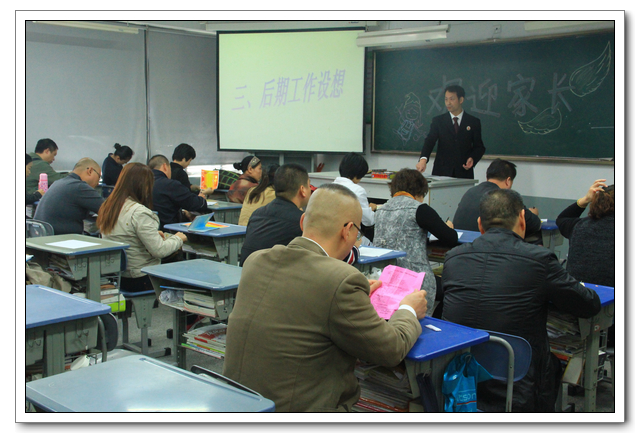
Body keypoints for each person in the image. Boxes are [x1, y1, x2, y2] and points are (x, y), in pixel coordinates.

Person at [223, 184, 427, 412]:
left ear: (303, 222)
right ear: (347, 230)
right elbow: (391, 349)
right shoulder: (341, 280)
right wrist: (408, 310)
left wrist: (355, 297)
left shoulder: (256, 260)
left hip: (240, 406)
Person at [442, 189, 601, 412]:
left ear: (480, 224)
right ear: (523, 220)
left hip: (461, 376)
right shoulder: (539, 260)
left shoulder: (453, 258)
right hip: (520, 382)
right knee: (553, 362)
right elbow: (588, 304)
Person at [373, 168, 458, 317]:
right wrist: (448, 227)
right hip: (414, 283)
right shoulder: (419, 209)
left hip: (385, 282)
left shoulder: (380, 211)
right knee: (453, 288)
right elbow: (451, 238)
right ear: (419, 191)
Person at [96, 163, 187, 292]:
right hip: (142, 277)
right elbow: (159, 251)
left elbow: (127, 235)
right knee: (184, 271)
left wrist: (153, 235)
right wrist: (178, 238)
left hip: (119, 276)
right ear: (144, 185)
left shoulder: (109, 207)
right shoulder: (140, 212)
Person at [557, 179, 615, 347]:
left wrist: (584, 200)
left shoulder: (578, 226)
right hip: (612, 324)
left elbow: (563, 218)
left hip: (575, 318)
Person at [452, 158, 542, 242]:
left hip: (460, 245)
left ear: (488, 177)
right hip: (487, 246)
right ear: (508, 181)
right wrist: (533, 214)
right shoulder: (504, 197)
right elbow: (535, 224)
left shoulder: (470, 191)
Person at [239, 164, 310, 266]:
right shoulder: (301, 221)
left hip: (246, 273)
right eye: (309, 185)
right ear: (302, 190)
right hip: (272, 274)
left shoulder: (257, 214)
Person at [416, 85, 486, 178]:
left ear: (461, 100)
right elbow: (430, 141)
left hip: (464, 172)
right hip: (441, 171)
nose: (448, 103)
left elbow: (479, 147)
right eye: (446, 99)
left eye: (452, 99)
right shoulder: (438, 121)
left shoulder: (473, 122)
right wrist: (423, 159)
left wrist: (472, 158)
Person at [33, 158, 104, 235]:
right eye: (98, 176)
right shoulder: (79, 186)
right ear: (90, 171)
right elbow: (109, 210)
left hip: (41, 237)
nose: (98, 183)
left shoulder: (58, 183)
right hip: (61, 239)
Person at [148, 154, 208, 228]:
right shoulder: (170, 184)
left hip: (149, 228)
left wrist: (183, 211)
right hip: (169, 229)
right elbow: (194, 203)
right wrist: (201, 199)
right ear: (165, 167)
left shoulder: (143, 183)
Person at [333, 153, 377, 245]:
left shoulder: (329, 187)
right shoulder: (358, 191)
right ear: (358, 174)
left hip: (331, 238)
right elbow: (369, 221)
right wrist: (371, 209)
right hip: (350, 239)